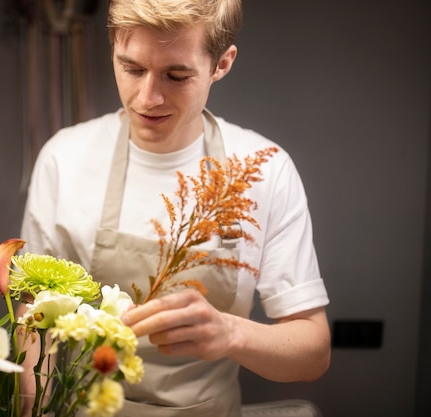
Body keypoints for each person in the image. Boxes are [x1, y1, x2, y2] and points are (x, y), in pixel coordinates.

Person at [19, 1, 331, 416]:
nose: (147, 97)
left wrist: (231, 332)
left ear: (221, 64)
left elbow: (313, 353)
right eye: (131, 68)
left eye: (176, 75)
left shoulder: (265, 170)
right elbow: (34, 320)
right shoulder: (64, 158)